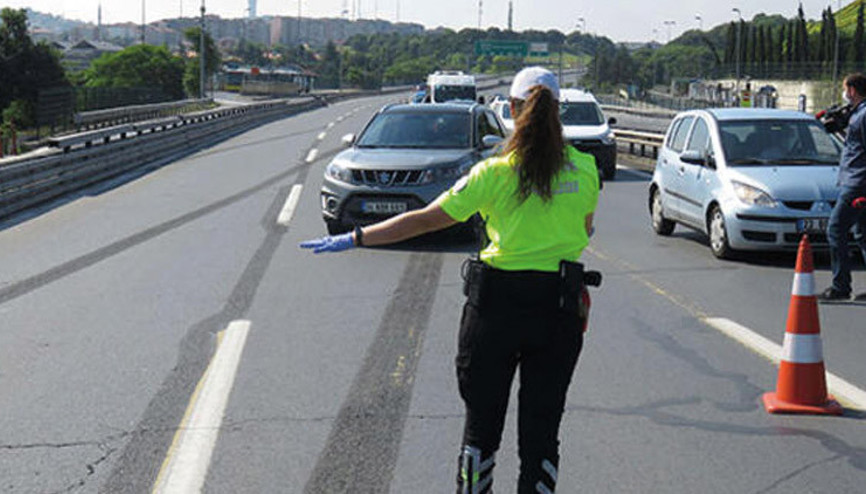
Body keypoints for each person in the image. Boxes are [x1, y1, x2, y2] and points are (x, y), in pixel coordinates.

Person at [300, 66, 600, 493]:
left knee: (482, 429)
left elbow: (425, 220)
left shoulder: (494, 173)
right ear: (559, 111)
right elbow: (586, 230)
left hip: (496, 308)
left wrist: (358, 236)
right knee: (542, 430)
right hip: (559, 309)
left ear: (513, 110)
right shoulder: (586, 170)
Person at [819, 73, 866, 302]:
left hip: (858, 183)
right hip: (855, 180)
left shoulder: (863, 115)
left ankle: (840, 286)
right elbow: (854, 144)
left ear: (853, 91)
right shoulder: (857, 114)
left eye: (845, 89)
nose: (844, 94)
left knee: (835, 229)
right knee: (862, 233)